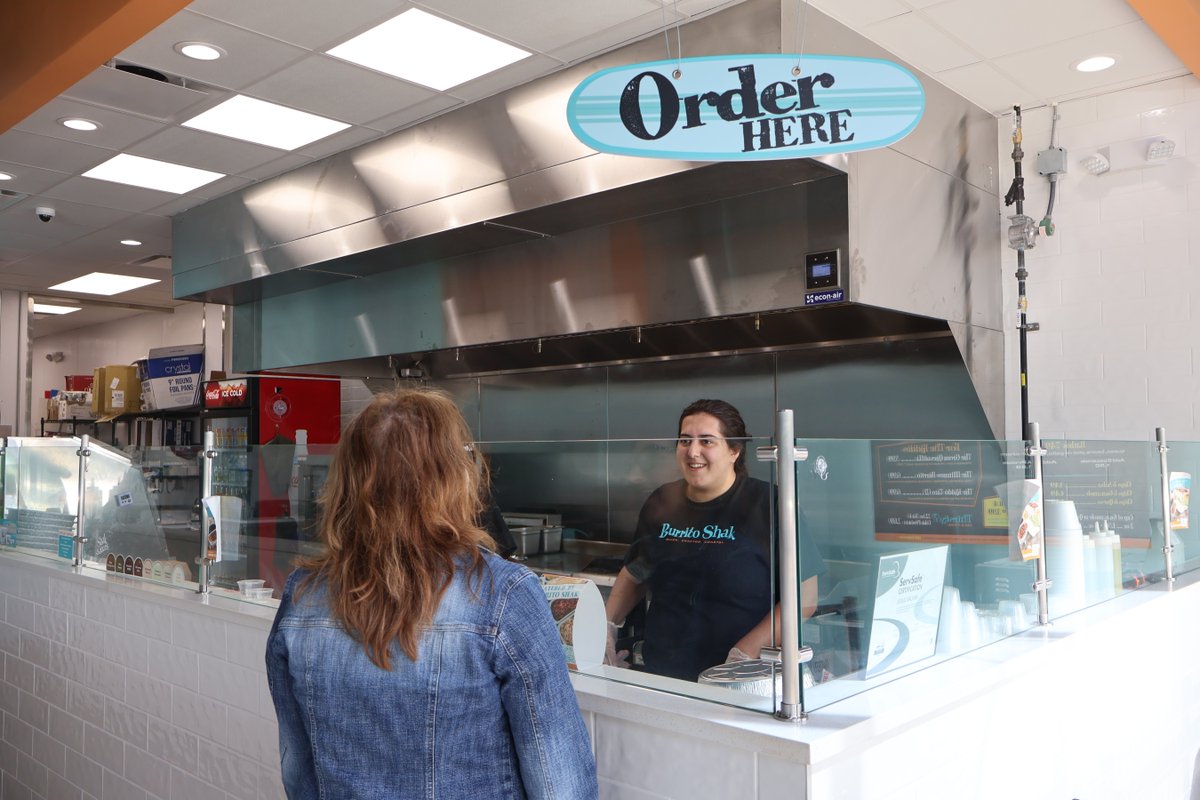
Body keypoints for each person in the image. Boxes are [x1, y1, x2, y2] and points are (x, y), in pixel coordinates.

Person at [266, 389, 598, 800]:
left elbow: (299, 772)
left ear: (346, 481)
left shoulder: (303, 596)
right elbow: (558, 784)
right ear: (453, 476)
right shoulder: (503, 595)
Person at [604, 399, 826, 681]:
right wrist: (607, 626)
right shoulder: (662, 501)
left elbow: (804, 599)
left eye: (707, 441)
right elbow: (635, 573)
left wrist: (744, 654)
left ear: (734, 450)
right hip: (662, 672)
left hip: (740, 678)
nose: (693, 451)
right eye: (685, 441)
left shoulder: (770, 504)